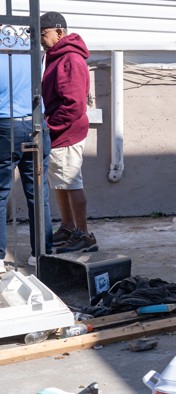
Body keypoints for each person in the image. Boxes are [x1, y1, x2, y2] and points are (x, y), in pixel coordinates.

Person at [40, 11, 96, 252]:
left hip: (66, 131)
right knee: (60, 182)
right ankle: (68, 227)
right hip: (60, 131)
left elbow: (73, 103)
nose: (41, 39)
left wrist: (50, 126)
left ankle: (84, 235)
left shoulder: (70, 59)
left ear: (59, 32)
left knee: (72, 181)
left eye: (44, 34)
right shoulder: (56, 56)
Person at [0, 38, 53, 269]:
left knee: (0, 195)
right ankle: (42, 254)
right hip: (35, 125)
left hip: (5, 126)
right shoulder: (31, 53)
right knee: (38, 194)